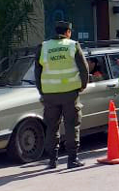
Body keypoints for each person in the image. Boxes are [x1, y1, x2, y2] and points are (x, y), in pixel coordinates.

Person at [34, 21, 89, 169]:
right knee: (71, 125)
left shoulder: (43, 47)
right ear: (68, 32)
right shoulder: (73, 45)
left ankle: (52, 160)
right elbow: (84, 69)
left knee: (52, 127)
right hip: (70, 93)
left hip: (50, 95)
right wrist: (83, 85)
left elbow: (37, 73)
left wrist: (42, 91)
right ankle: (72, 159)